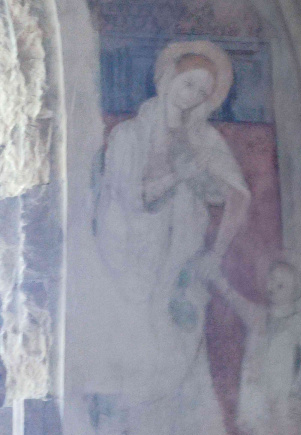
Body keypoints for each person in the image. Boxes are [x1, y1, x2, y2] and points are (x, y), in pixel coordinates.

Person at [96, 41, 250, 404]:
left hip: (182, 258)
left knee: (179, 346)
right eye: (189, 83)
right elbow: (132, 200)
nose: (192, 95)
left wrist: (216, 253)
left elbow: (236, 195)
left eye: (202, 92)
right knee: (137, 346)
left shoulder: (203, 138)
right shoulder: (129, 136)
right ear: (167, 77)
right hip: (132, 259)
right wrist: (182, 174)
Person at [210, 260, 301, 435]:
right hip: (260, 386)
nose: (273, 288)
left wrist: (298, 385)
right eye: (272, 281)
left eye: (281, 285)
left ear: (295, 291)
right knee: (265, 429)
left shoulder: (298, 322)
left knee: (288, 426)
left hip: (285, 387)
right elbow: (237, 302)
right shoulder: (260, 316)